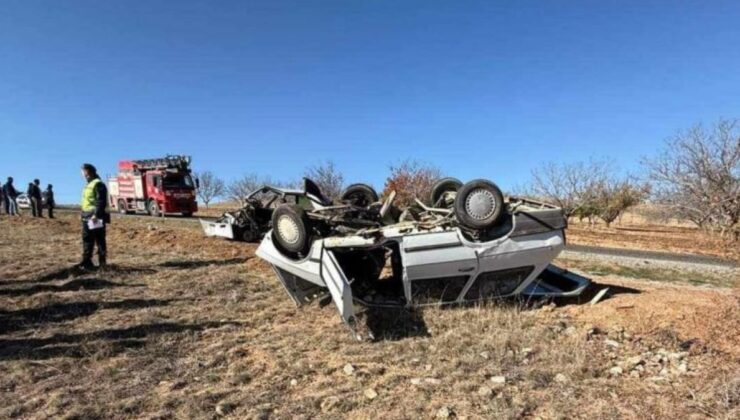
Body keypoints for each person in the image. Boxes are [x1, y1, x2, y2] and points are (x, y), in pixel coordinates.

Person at [79, 163, 110, 269]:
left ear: (90, 172)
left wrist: (96, 215)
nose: (83, 175)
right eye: (83, 173)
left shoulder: (98, 184)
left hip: (95, 217)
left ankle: (102, 263)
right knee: (87, 239)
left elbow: (101, 201)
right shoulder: (88, 184)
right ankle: (87, 262)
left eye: (85, 172)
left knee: (99, 239)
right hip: (86, 216)